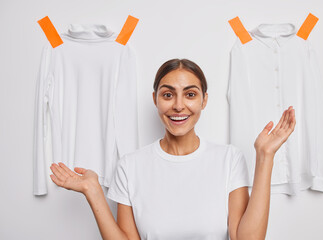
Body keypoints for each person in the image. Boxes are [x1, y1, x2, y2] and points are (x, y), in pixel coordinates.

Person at [49, 59, 296, 240]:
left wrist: (265, 157)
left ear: (204, 100)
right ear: (155, 98)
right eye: (168, 95)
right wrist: (93, 192)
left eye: (190, 94)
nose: (179, 106)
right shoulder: (130, 165)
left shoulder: (229, 159)